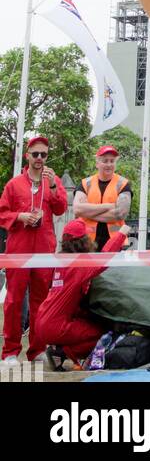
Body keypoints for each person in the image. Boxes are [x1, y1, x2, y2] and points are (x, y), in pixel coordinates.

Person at [0, 135, 67, 364]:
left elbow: (60, 210)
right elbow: (1, 213)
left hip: (44, 249)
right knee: (13, 300)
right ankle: (10, 351)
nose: (39, 158)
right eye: (35, 154)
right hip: (18, 249)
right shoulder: (14, 184)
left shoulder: (53, 180)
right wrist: (19, 216)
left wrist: (53, 186)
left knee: (41, 301)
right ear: (27, 155)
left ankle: (37, 349)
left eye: (44, 154)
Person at [33, 220, 129, 370]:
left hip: (41, 320)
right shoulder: (78, 265)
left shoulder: (59, 261)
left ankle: (58, 350)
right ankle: (61, 352)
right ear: (83, 241)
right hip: (56, 325)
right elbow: (104, 258)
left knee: (84, 323)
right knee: (101, 334)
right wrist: (121, 234)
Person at [73, 144, 132, 251]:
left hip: (115, 241)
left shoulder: (123, 183)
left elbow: (120, 214)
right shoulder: (85, 183)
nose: (109, 164)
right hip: (87, 241)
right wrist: (109, 206)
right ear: (97, 163)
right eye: (105, 161)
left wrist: (88, 212)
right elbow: (77, 210)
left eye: (112, 161)